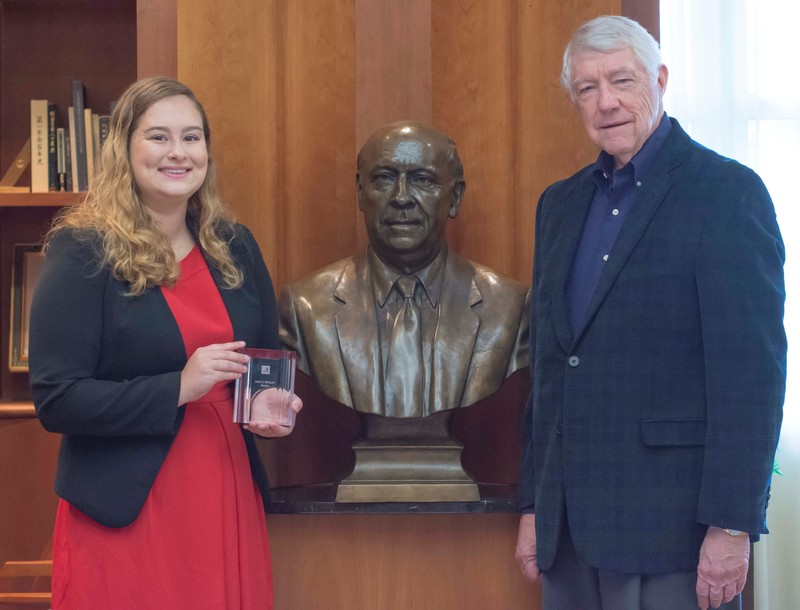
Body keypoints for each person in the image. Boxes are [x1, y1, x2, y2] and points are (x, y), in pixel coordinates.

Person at [515, 15, 785, 610]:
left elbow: (751, 377)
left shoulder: (727, 194)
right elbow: (553, 369)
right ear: (574, 100)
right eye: (587, 88)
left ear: (660, 79)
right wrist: (535, 506)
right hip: (570, 533)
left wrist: (732, 525)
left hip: (675, 535)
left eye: (622, 81)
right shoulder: (558, 206)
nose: (606, 102)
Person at [29, 76, 301, 609]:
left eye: (192, 137)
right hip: (128, 508)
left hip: (224, 490)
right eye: (158, 137)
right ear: (124, 149)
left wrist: (274, 407)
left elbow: (265, 365)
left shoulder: (235, 247)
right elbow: (57, 399)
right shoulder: (83, 251)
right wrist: (179, 386)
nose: (178, 152)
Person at [278, 121, 529, 418]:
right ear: (360, 192)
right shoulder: (306, 307)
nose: (401, 197)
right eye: (384, 178)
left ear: (455, 197)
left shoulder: (510, 308)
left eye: (423, 180)